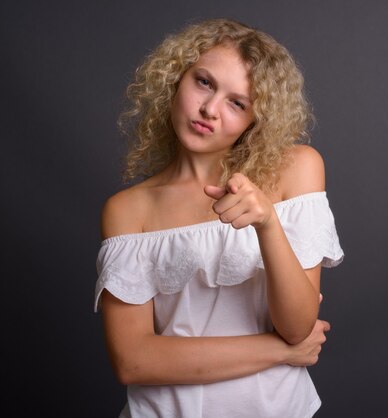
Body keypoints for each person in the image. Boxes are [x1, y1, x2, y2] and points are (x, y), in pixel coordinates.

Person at [94, 18, 344, 418]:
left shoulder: (297, 168)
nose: (210, 109)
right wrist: (280, 350)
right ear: (176, 79)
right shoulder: (127, 209)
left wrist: (267, 224)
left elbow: (298, 325)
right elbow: (134, 361)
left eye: (237, 103)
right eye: (204, 82)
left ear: (254, 120)